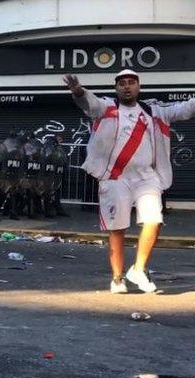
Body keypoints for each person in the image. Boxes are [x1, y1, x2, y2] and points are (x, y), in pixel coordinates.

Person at [65, 70, 195, 294]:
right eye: (122, 83)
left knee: (154, 220)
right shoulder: (106, 108)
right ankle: (117, 278)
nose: (127, 87)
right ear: (116, 88)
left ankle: (139, 268)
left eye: (131, 83)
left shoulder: (154, 111)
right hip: (115, 177)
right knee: (118, 228)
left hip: (147, 177)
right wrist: (79, 92)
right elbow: (90, 104)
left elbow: (186, 109)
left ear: (139, 87)